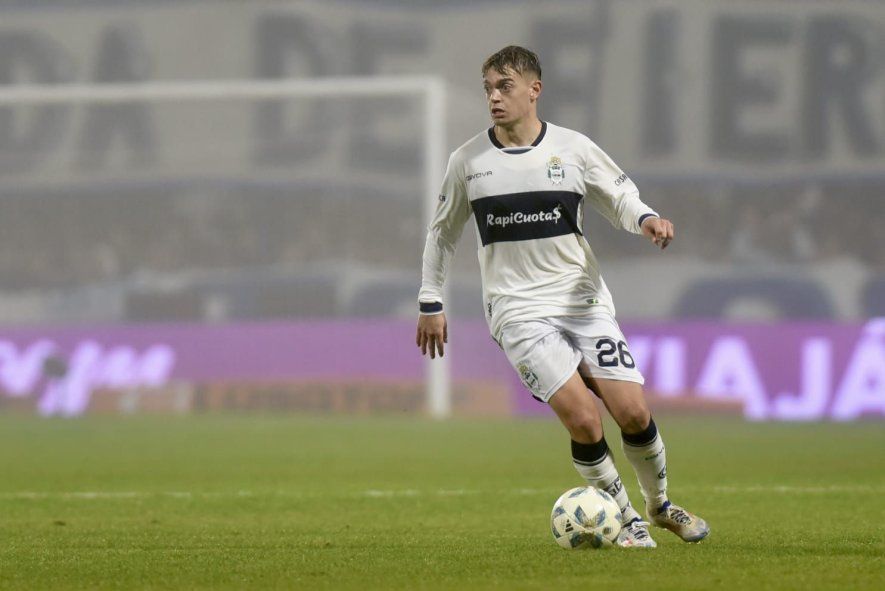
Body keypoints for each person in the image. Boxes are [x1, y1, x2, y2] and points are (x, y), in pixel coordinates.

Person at [415, 46, 709, 548]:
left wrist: (647, 220)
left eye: (504, 86)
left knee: (634, 413)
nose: (493, 97)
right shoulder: (467, 162)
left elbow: (619, 197)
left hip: (583, 302)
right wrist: (430, 301)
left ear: (535, 90)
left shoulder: (573, 149)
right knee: (583, 416)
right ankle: (623, 518)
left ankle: (659, 507)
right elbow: (442, 234)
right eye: (488, 87)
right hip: (517, 311)